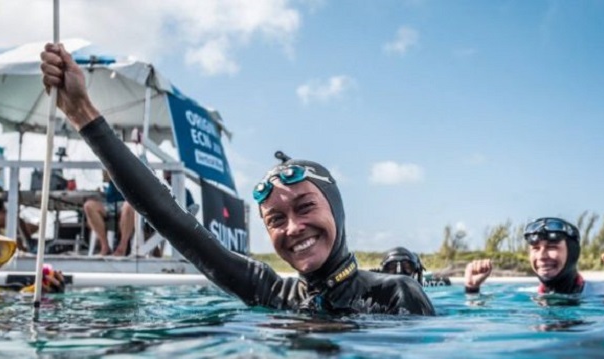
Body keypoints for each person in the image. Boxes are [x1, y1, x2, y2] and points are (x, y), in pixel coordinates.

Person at [40, 43, 435, 315]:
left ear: (337, 209)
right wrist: (81, 111)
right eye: (276, 219)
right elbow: (169, 218)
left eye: (304, 207)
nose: (294, 227)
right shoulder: (272, 293)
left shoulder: (395, 294)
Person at [463, 217, 604, 297]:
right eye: (535, 248)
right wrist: (472, 289)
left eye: (552, 247)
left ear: (572, 252)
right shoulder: (523, 296)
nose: (542, 256)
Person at [83, 170, 136, 256]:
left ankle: (122, 246)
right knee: (88, 206)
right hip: (109, 203)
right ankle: (105, 246)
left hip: (126, 202)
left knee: (129, 206)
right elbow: (105, 178)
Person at [375, 247, 451, 287]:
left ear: (415, 270)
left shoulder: (424, 283)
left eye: (406, 266)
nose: (399, 272)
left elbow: (446, 281)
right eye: (392, 267)